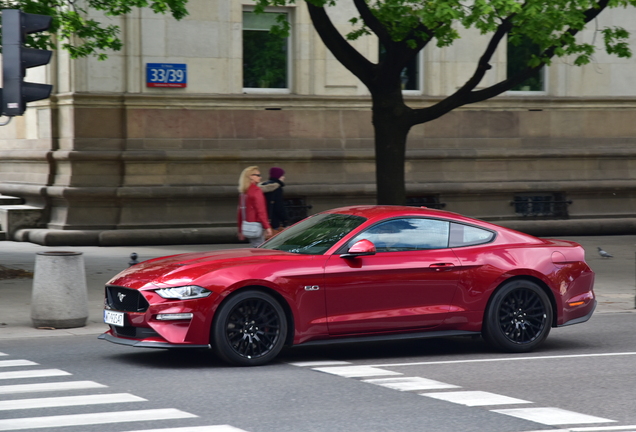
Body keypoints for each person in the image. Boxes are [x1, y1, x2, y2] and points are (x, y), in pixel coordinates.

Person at [237, 166, 272, 246]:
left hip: (247, 226)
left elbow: (240, 213)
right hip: (256, 226)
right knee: (261, 247)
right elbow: (261, 211)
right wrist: (267, 227)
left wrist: (240, 229)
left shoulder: (244, 193)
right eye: (258, 175)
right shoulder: (256, 191)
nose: (260, 177)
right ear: (251, 177)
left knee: (255, 246)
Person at [261, 167, 288, 232]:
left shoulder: (262, 187)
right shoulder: (277, 188)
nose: (284, 177)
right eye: (282, 175)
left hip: (263, 221)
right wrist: (285, 220)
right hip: (274, 222)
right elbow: (279, 207)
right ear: (278, 176)